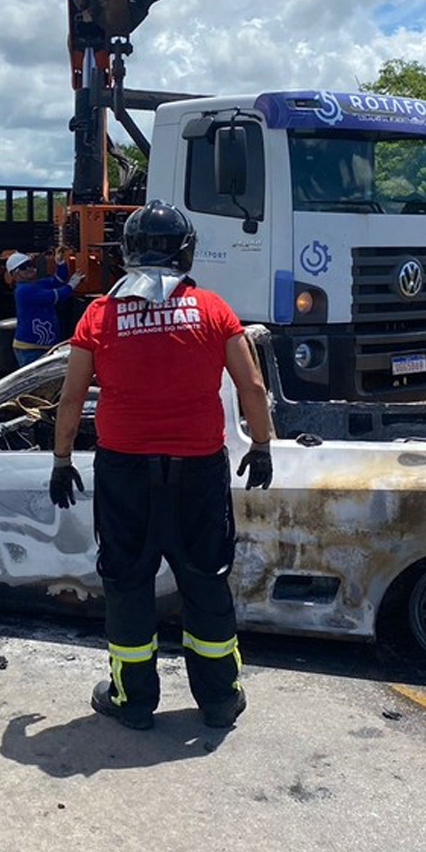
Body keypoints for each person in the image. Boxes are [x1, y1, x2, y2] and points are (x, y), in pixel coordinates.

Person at [48, 200, 273, 731]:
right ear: (186, 249)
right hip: (198, 470)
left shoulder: (99, 314)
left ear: (126, 252)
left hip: (125, 471)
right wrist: (261, 445)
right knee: (205, 579)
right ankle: (219, 698)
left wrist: (61, 459)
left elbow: (70, 399)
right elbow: (253, 386)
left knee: (128, 583)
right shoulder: (215, 310)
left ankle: (134, 699)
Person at [6, 247, 85, 367]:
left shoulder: (36, 285)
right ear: (15, 274)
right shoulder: (24, 290)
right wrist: (72, 284)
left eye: (30, 264)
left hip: (41, 346)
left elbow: (58, 280)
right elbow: (54, 296)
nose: (29, 268)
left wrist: (60, 262)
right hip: (30, 349)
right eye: (23, 267)